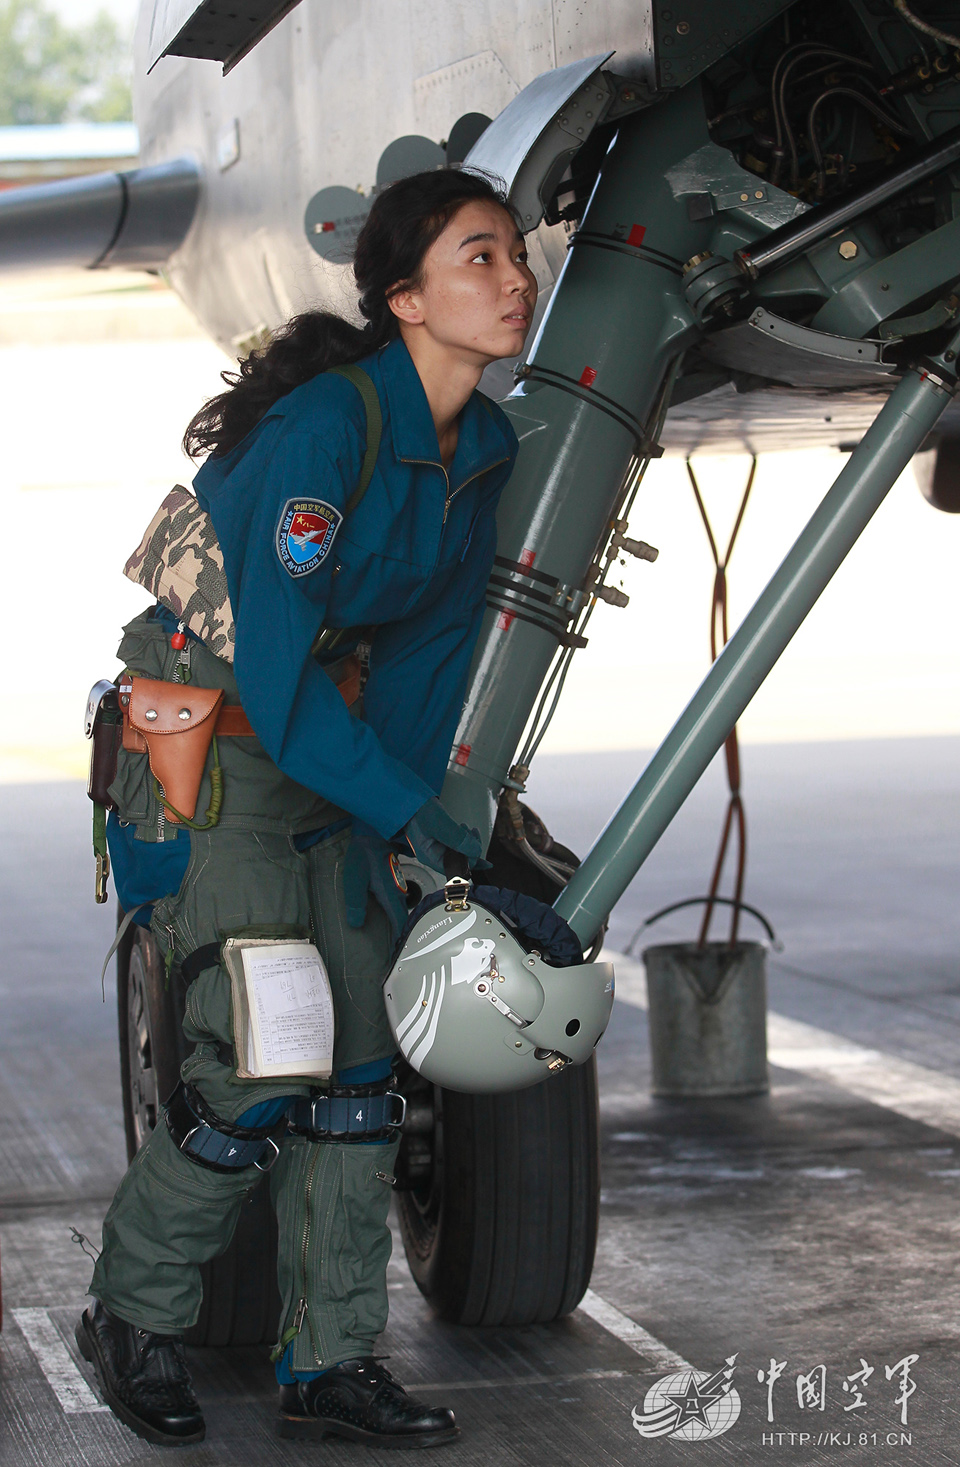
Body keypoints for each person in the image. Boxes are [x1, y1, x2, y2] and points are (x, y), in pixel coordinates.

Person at [76, 167, 537, 1449]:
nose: (514, 281)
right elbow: (273, 679)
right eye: (478, 258)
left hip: (330, 757)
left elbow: (434, 656)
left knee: (361, 1075)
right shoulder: (322, 436)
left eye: (515, 256)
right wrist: (404, 809)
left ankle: (328, 1358)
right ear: (403, 298)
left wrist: (430, 827)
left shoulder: (481, 446)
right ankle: (133, 1315)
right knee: (261, 1056)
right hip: (217, 755)